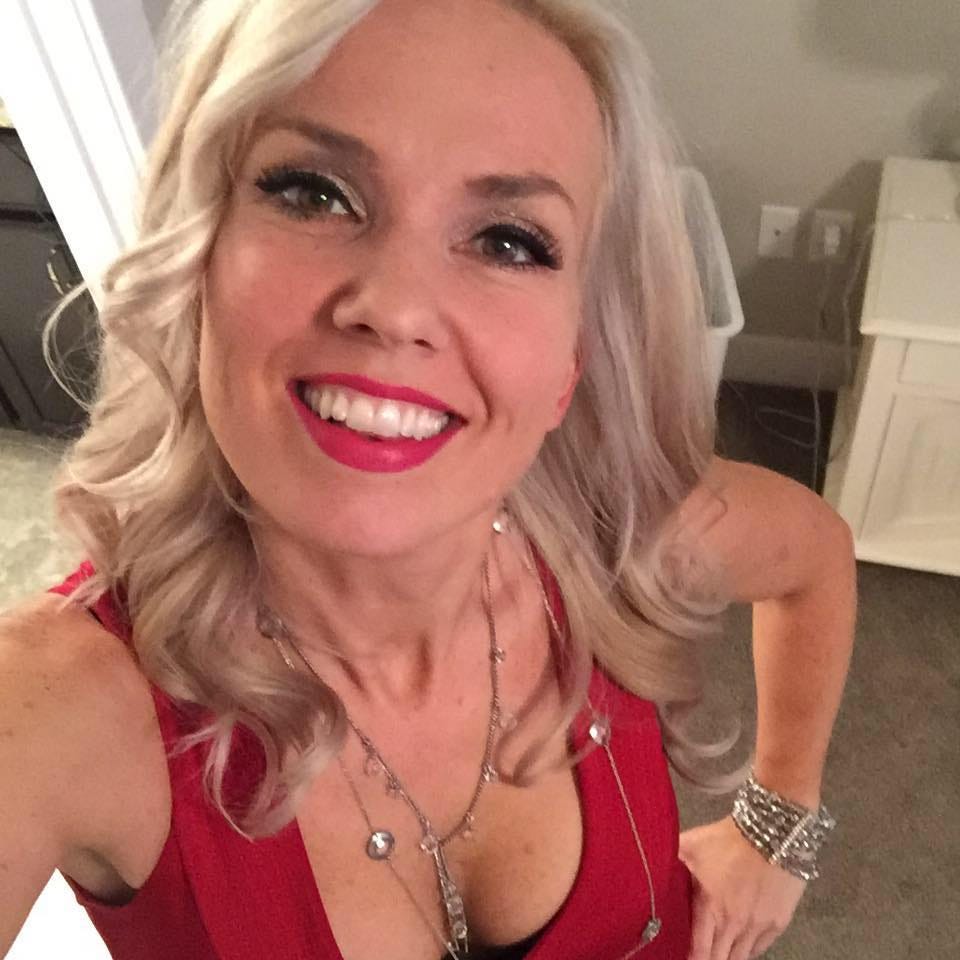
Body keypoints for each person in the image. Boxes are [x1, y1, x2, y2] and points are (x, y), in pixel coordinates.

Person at [0, 1, 857, 959]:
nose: (397, 307)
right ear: (197, 259)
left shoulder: (608, 541)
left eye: (508, 241)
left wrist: (778, 829)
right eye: (314, 193)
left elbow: (814, 557)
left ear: (570, 360)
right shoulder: (54, 706)